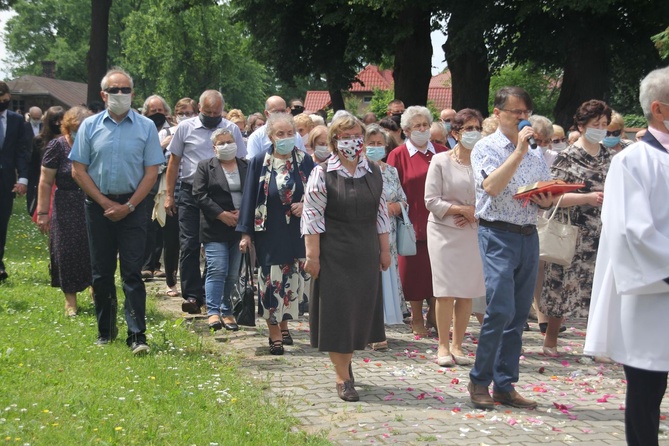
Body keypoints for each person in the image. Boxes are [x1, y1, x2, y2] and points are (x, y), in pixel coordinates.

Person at [584, 65, 669, 446]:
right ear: (659, 109)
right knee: (649, 389)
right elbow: (630, 230)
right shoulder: (632, 161)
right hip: (653, 291)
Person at [468, 86, 553, 410]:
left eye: (525, 113)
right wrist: (517, 153)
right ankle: (479, 380)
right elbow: (491, 186)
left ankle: (505, 384)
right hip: (497, 235)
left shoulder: (536, 153)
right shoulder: (486, 148)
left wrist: (547, 199)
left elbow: (544, 189)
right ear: (497, 112)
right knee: (500, 310)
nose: (522, 118)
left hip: (528, 234)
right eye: (516, 112)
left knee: (518, 315)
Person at [70, 67, 165, 354]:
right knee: (101, 273)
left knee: (132, 273)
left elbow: (152, 172)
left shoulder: (146, 127)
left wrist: (130, 205)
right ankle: (105, 331)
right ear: (104, 94)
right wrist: (104, 203)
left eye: (126, 90)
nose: (121, 94)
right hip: (98, 206)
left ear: (133, 94)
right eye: (115, 90)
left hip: (134, 207)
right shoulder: (89, 126)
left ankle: (137, 335)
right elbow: (78, 170)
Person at [302, 114, 390, 402]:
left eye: (356, 135)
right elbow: (312, 218)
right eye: (346, 136)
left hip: (365, 251)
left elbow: (381, 214)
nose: (352, 141)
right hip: (333, 253)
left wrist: (385, 249)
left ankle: (346, 362)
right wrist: (312, 256)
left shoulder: (374, 171)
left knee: (358, 312)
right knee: (338, 314)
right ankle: (343, 377)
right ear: (335, 140)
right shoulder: (322, 173)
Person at [539, 99, 613, 358]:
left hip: (601, 233)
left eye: (605, 125)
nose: (601, 129)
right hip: (571, 232)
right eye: (596, 124)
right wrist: (587, 197)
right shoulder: (567, 156)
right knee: (562, 286)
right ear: (581, 126)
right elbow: (551, 197)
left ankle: (596, 343)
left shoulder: (609, 155)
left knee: (598, 288)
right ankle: (550, 340)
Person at [237, 113, 314, 355]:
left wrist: (305, 205)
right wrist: (245, 234)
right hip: (269, 231)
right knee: (272, 282)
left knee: (292, 280)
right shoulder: (260, 160)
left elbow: (317, 194)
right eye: (280, 134)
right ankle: (274, 334)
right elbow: (250, 196)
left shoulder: (305, 161)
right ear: (270, 136)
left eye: (290, 133)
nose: (286, 137)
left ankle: (284, 324)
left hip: (299, 231)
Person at [164, 90, 246, 314]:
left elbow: (242, 161)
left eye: (216, 113)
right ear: (200, 108)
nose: (212, 116)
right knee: (190, 244)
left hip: (221, 193)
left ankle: (209, 292)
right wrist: (169, 194)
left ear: (223, 110)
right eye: (208, 112)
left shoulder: (231, 129)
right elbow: (174, 162)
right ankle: (192, 295)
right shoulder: (185, 128)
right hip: (190, 192)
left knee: (215, 247)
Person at [425, 108, 486, 367]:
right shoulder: (440, 160)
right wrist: (461, 210)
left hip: (473, 231)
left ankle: (458, 344)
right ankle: (442, 344)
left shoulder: (486, 161)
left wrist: (476, 214)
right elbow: (430, 200)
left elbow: (493, 196)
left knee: (467, 291)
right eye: (468, 129)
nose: (473, 133)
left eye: (477, 128)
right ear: (456, 132)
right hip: (444, 230)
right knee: (446, 291)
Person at [387, 106, 448, 336]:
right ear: (406, 130)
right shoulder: (398, 155)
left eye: (425, 125)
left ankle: (434, 312)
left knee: (438, 272)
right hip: (410, 224)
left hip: (441, 222)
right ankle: (416, 317)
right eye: (417, 126)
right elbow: (393, 188)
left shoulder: (442, 152)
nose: (422, 129)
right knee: (412, 274)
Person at [35, 106, 92, 316]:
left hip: (93, 202)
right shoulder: (57, 146)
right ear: (68, 128)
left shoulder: (96, 145)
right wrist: (42, 213)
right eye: (76, 128)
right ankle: (70, 301)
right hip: (66, 204)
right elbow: (45, 181)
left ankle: (95, 288)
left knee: (93, 250)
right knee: (66, 251)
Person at [193, 129, 247, 332]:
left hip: (239, 227)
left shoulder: (246, 166)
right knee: (217, 268)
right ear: (214, 147)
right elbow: (199, 194)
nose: (226, 145)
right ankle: (213, 311)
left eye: (229, 141)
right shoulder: (205, 167)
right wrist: (221, 214)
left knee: (232, 273)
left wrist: (242, 213)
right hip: (214, 226)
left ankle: (227, 310)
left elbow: (253, 193)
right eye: (221, 143)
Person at [364, 124, 406, 349]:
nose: (376, 147)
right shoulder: (359, 170)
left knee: (384, 280)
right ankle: (367, 329)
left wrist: (395, 207)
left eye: (380, 144)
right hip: (364, 234)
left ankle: (379, 329)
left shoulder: (391, 171)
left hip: (387, 235)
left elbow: (403, 199)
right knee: (367, 281)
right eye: (371, 144)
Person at [158, 97, 198, 298]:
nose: (186, 117)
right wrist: (164, 145)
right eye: (182, 113)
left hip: (191, 189)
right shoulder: (165, 133)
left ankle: (190, 282)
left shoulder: (197, 133)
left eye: (190, 113)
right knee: (171, 237)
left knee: (189, 240)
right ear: (174, 116)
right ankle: (170, 280)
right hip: (168, 189)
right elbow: (153, 162)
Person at [0, 81, 31, 282]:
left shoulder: (16, 120)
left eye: (3, 96)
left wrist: (23, 179)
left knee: (2, 222)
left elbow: (22, 151)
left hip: (5, 180)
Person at [140, 95, 172, 280]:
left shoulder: (172, 129)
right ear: (146, 113)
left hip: (165, 180)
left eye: (160, 111)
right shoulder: (141, 128)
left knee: (161, 223)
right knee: (146, 222)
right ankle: (145, 264)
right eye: (154, 111)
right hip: (146, 180)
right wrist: (160, 146)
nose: (158, 114)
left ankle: (157, 264)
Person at [27, 106, 65, 217]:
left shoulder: (71, 140)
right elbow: (34, 166)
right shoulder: (39, 140)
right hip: (45, 181)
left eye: (61, 120)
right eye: (55, 120)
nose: (58, 124)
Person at [24, 106, 43, 215]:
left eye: (38, 118)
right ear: (30, 116)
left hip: (40, 160)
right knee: (31, 185)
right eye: (35, 118)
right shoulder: (24, 127)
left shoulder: (44, 127)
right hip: (29, 161)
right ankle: (30, 206)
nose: (37, 120)